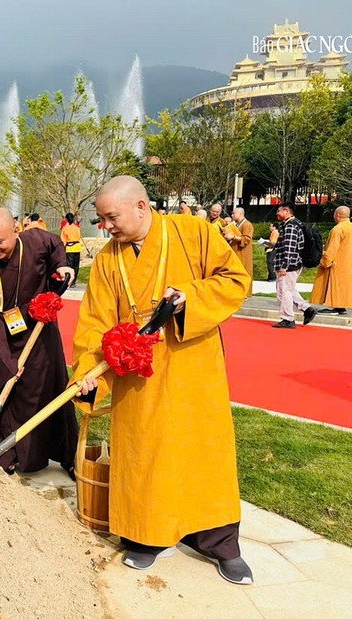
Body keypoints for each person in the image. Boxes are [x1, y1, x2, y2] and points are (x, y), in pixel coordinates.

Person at [73, 176, 254, 585]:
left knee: (203, 453)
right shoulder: (107, 259)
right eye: (101, 220)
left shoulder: (194, 232)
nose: (107, 227)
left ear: (141, 206)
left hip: (193, 367)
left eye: (112, 217)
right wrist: (86, 373)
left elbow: (235, 280)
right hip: (138, 379)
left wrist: (192, 296)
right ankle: (146, 536)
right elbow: (94, 323)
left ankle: (219, 543)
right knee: (145, 454)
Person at [0, 208, 77, 475]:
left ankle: (66, 453)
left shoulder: (36, 241)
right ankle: (12, 455)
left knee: (50, 389)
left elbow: (55, 245)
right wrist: (7, 364)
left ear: (16, 231)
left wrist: (62, 265)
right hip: (7, 338)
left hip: (42, 332)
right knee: (11, 390)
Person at [272, 203, 316, 329]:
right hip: (293, 263)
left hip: (289, 264)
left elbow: (290, 248)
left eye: (279, 211)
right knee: (289, 290)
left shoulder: (291, 226)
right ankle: (307, 309)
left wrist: (284, 266)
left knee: (283, 291)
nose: (277, 213)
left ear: (286, 211)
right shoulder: (293, 224)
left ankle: (288, 318)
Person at [310, 206, 352, 315]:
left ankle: (335, 307)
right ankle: (340, 306)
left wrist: (325, 261)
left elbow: (332, 248)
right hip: (347, 262)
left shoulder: (337, 229)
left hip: (336, 263)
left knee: (334, 285)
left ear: (337, 215)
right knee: (342, 285)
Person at [225, 207, 254, 296]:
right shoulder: (237, 225)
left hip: (243, 253)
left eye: (234, 213)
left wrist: (233, 237)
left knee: (244, 272)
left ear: (240, 214)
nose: (232, 215)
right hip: (236, 253)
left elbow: (246, 239)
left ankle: (244, 292)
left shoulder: (247, 224)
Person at [60, 212, 83, 283]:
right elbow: (79, 236)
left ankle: (69, 279)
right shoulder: (77, 228)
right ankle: (74, 281)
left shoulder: (65, 229)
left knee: (69, 265)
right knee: (76, 265)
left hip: (69, 248)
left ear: (66, 219)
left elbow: (62, 240)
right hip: (77, 248)